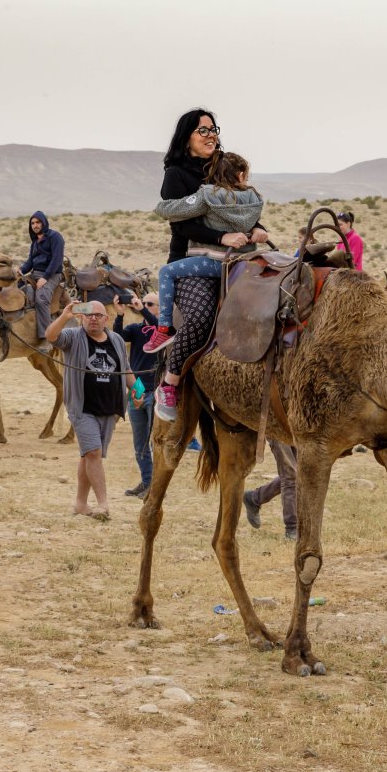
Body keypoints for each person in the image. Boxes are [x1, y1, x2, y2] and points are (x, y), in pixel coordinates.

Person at [152, 109, 268, 421]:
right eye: (203, 130)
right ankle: (170, 381)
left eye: (213, 129)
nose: (211, 134)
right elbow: (181, 226)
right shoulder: (176, 175)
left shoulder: (223, 168)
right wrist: (222, 237)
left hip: (234, 260)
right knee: (201, 315)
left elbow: (241, 209)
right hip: (191, 260)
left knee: (275, 305)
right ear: (186, 136)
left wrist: (257, 229)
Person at [145, 151, 263, 351]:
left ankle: (163, 329)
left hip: (218, 263)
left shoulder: (209, 195)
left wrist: (164, 206)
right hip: (245, 262)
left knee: (166, 272)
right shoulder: (253, 198)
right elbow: (253, 224)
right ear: (241, 175)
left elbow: (170, 211)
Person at [45, 298, 133, 520]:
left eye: (98, 315)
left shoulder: (117, 341)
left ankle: (80, 503)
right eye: (88, 315)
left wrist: (139, 391)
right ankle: (103, 504)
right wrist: (64, 317)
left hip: (110, 409)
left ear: (106, 318)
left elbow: (127, 370)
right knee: (93, 452)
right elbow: (50, 337)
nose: (93, 318)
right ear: (81, 318)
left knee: (89, 455)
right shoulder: (74, 337)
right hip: (82, 407)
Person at [112, 291, 160, 497]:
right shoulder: (136, 329)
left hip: (157, 388)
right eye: (144, 303)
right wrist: (120, 315)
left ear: (160, 308)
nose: (144, 306)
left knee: (154, 441)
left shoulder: (164, 330)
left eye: (150, 304)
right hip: (137, 387)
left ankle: (156, 487)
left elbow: (160, 328)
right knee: (139, 442)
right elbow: (117, 339)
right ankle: (147, 481)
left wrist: (142, 310)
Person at [20, 211, 65, 340]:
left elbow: (56, 260)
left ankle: (46, 337)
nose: (35, 225)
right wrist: (20, 271)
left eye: (38, 222)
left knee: (41, 299)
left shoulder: (55, 237)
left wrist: (45, 278)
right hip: (35, 273)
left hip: (52, 274)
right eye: (32, 223)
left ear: (44, 222)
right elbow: (30, 262)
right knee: (18, 290)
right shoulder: (35, 242)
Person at [242, 440, 298, 540]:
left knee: (299, 474)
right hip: (277, 428)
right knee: (289, 475)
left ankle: (254, 497)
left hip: (297, 428)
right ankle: (292, 527)